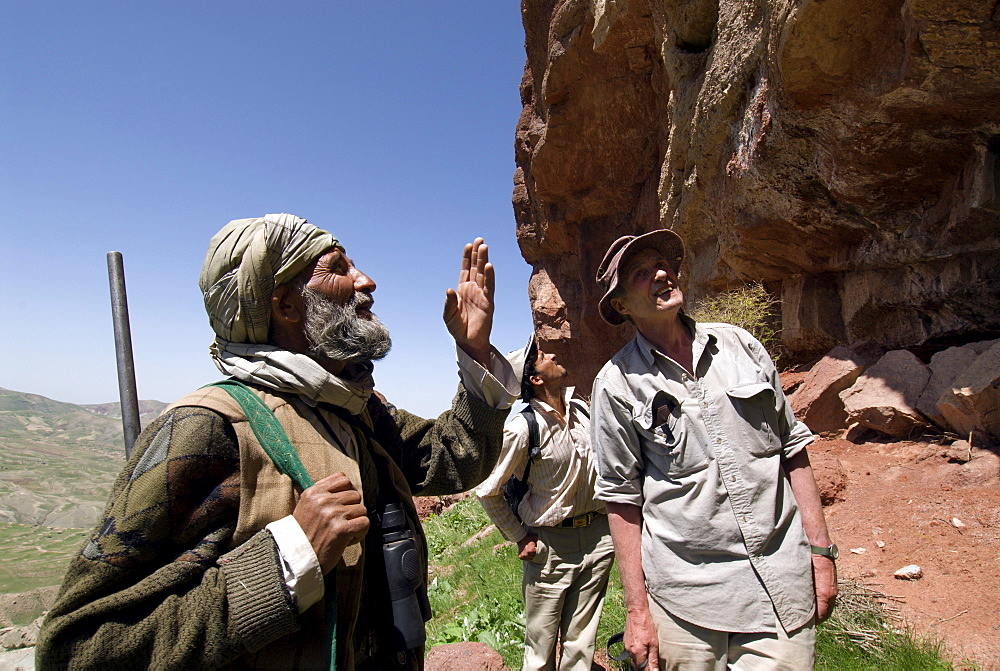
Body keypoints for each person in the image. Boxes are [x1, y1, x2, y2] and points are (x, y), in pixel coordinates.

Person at [36, 213, 519, 670]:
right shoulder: (209, 428)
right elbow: (75, 648)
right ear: (286, 305)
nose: (366, 282)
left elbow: (454, 461)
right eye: (338, 268)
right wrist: (289, 557)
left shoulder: (357, 409)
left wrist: (474, 349)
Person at [590, 230, 837, 670]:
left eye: (662, 265)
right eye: (641, 273)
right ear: (622, 305)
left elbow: (793, 450)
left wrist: (821, 553)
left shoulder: (740, 346)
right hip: (685, 603)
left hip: (779, 585)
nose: (661, 274)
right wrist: (636, 612)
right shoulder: (615, 384)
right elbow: (621, 502)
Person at [476, 336, 614, 671]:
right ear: (536, 379)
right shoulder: (523, 429)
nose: (551, 354)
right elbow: (487, 489)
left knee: (582, 642)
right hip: (550, 546)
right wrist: (519, 537)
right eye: (542, 356)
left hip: (598, 539)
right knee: (540, 648)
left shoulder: (581, 409)